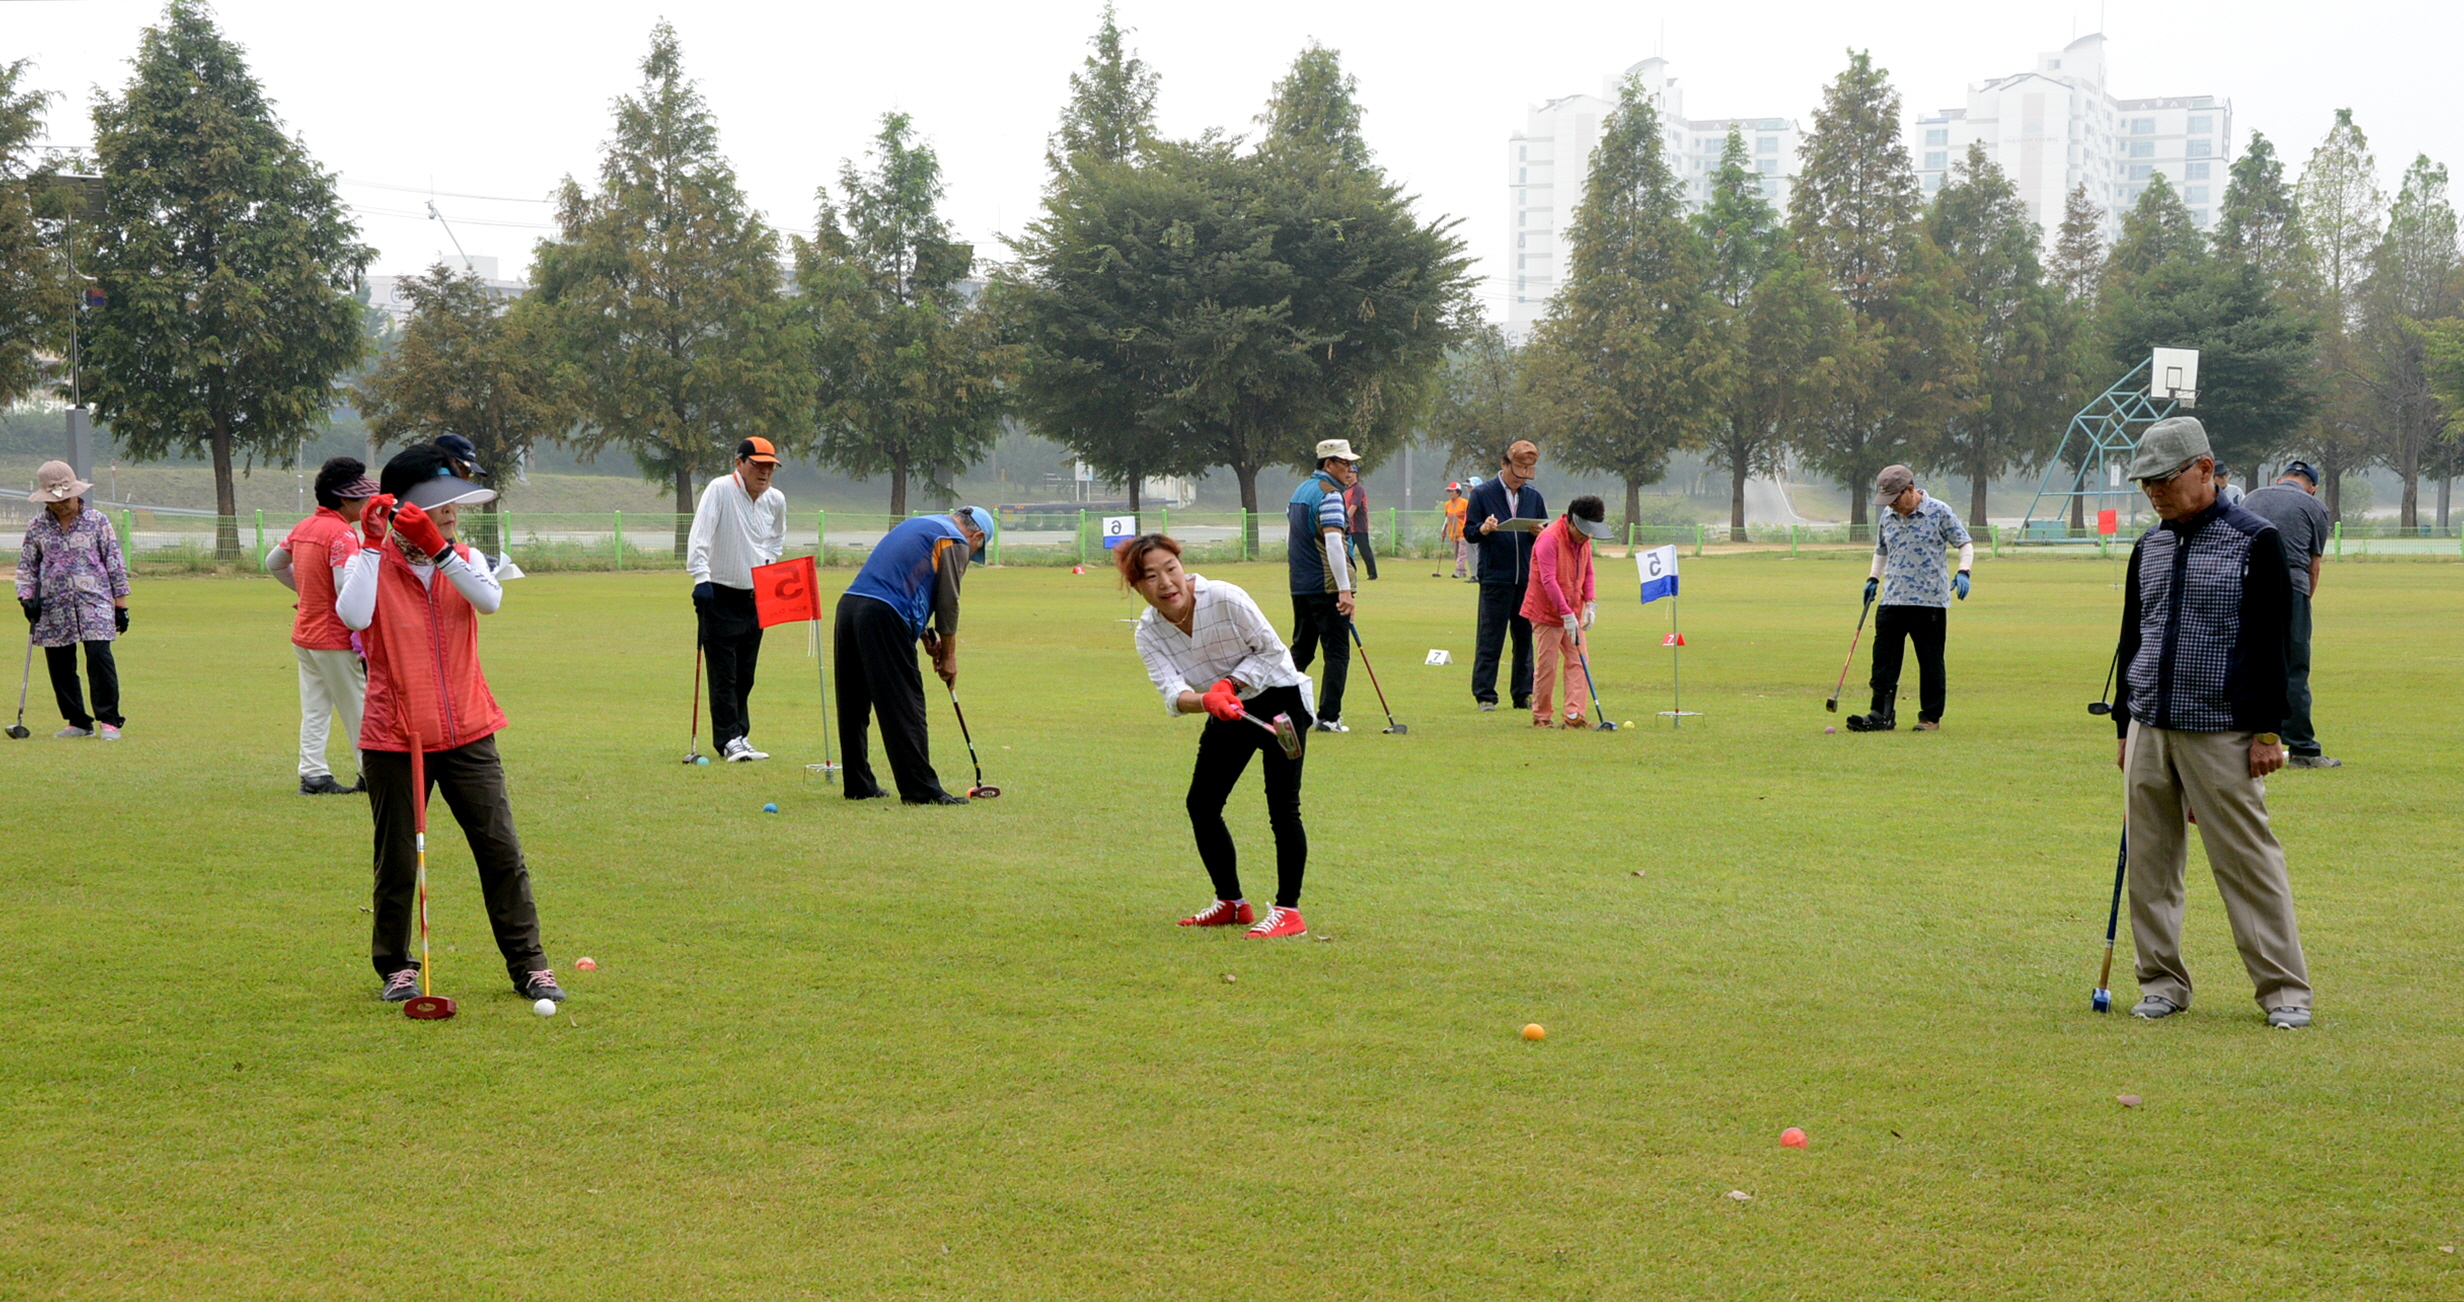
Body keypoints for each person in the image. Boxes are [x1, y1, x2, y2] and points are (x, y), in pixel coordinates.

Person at [338, 443, 563, 1006]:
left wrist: (442, 551)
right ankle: (396, 968)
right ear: (404, 507)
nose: (451, 514)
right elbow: (354, 616)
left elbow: (488, 601)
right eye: (441, 506)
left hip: (468, 729)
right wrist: (371, 542)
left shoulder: (465, 557)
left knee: (501, 851)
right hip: (395, 735)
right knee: (396, 861)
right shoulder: (368, 561)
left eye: (454, 506)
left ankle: (530, 965)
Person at [2107, 417, 2310, 1029]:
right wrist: (2124, 724)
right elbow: (2132, 636)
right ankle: (2161, 983)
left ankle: (2283, 992)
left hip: (2222, 728)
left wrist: (2270, 732)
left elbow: (2278, 642)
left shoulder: (2256, 541)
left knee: (2247, 863)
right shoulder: (2150, 545)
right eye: (2145, 484)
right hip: (2149, 724)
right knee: (2150, 861)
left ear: (2204, 468)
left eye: (2164, 480)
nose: (2154, 493)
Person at [1122, 532, 1315, 939]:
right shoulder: (1148, 632)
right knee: (1202, 803)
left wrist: (1230, 684)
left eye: (1170, 569)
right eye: (1150, 576)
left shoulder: (1226, 596)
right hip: (1226, 710)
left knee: (1283, 808)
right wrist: (1210, 701)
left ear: (1181, 564)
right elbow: (1173, 694)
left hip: (1280, 701)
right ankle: (1231, 902)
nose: (1165, 583)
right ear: (1137, 586)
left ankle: (1288, 911)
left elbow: (1274, 651)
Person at [835, 505, 995, 803]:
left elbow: (903, 579)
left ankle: (859, 784)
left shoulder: (923, 525)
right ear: (978, 536)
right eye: (975, 553)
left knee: (854, 701)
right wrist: (949, 657)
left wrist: (923, 634)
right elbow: (949, 602)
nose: (969, 559)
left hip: (850, 606)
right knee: (905, 702)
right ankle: (921, 790)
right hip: (883, 614)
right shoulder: (955, 540)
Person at [267, 457, 380, 794]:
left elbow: (274, 562)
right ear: (344, 499)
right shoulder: (343, 534)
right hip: (334, 637)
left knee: (315, 706)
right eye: (361, 498)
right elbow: (346, 586)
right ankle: (371, 773)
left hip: (304, 634)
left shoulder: (304, 527)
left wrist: (307, 591)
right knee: (357, 705)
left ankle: (313, 773)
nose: (366, 505)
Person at [1847, 465, 1974, 732]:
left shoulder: (1939, 511)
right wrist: (1873, 578)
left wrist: (1964, 571)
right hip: (1892, 598)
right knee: (1883, 660)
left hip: (1929, 602)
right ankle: (1881, 714)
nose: (1892, 506)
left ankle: (1930, 717)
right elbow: (1881, 550)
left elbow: (1964, 543)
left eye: (1895, 500)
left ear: (1910, 490)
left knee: (1930, 662)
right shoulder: (1888, 516)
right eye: (1888, 502)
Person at [685, 437, 787, 762]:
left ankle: (741, 734)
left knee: (746, 673)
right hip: (718, 592)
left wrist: (768, 569)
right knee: (724, 673)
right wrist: (700, 578)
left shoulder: (775, 500)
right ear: (739, 462)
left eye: (770, 466)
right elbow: (700, 534)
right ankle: (728, 739)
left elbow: (776, 538)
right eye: (757, 464)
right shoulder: (720, 489)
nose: (765, 472)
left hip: (757, 596)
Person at [16, 460, 130, 740]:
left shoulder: (97, 521)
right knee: (60, 664)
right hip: (53, 605)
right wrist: (26, 598)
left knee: (99, 658)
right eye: (54, 501)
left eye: (65, 499)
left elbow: (114, 562)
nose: (60, 505)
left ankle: (109, 721)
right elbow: (27, 567)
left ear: (76, 494)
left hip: (95, 602)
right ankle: (78, 721)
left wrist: (121, 606)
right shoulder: (37, 527)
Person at [2239, 461, 2338, 768]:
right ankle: (2304, 751)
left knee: (2244, 663)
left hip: (2242, 586)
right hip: (2290, 588)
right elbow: (2314, 564)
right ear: (2312, 486)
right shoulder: (2314, 505)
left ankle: (2237, 740)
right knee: (2293, 668)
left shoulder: (2251, 497)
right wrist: (2304, 600)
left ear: (2280, 479)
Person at [1285, 438, 1361, 734]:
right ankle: (1329, 717)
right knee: (1337, 652)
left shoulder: (1300, 491)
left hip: (1300, 585)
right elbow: (1333, 543)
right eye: (1345, 463)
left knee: (1301, 652)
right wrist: (1345, 589)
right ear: (1328, 464)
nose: (1350, 469)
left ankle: (1277, 708)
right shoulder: (1330, 495)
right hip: (1327, 587)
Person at [1464, 442, 1545, 711]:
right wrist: (1484, 528)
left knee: (1524, 640)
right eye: (1517, 471)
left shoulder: (1533, 496)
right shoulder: (1483, 494)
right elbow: (1469, 532)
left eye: (1527, 472)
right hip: (1495, 578)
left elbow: (1544, 534)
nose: (1521, 478)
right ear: (1504, 464)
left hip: (1526, 579)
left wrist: (1538, 533)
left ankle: (1523, 693)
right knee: (1490, 638)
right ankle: (1485, 694)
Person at [1520, 495, 1611, 727]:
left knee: (1578, 661)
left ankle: (1573, 715)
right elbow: (1548, 580)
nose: (1586, 536)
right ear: (1571, 521)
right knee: (1547, 665)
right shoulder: (1548, 539)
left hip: (1573, 610)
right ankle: (1541, 716)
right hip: (1546, 612)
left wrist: (1589, 602)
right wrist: (1565, 614)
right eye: (1582, 529)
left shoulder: (1583, 541)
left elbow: (1588, 572)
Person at [1344, 477, 1378, 580]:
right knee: (1346, 550)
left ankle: (1372, 573)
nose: (1348, 477)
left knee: (1364, 550)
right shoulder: (1347, 490)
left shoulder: (1358, 489)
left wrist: (1345, 519)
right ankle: (1350, 573)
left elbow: (1354, 506)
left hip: (1359, 525)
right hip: (1350, 526)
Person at [1441, 482, 1470, 579]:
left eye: (1452, 491)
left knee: (1462, 554)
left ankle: (1458, 571)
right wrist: (1444, 529)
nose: (1450, 493)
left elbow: (1469, 516)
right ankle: (1462, 571)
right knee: (1456, 554)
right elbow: (1447, 518)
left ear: (1458, 492)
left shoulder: (1465, 503)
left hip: (1463, 533)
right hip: (1453, 533)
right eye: (1449, 491)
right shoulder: (1448, 504)